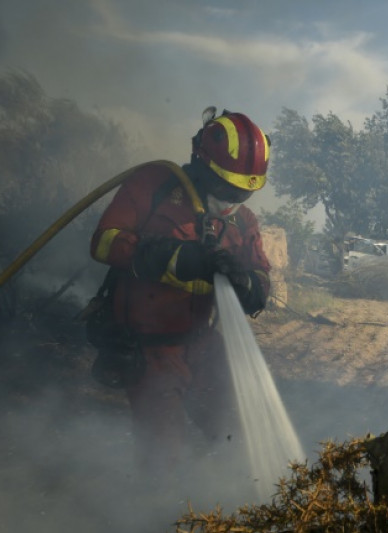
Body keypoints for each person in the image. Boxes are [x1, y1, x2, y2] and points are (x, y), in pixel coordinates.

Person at [87, 107, 272, 476]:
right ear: (202, 166)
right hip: (148, 348)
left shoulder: (242, 220)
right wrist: (172, 258)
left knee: (238, 433)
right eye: (226, 187)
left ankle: (224, 506)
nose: (233, 199)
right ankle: (160, 514)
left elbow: (262, 279)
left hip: (202, 342)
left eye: (243, 192)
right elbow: (103, 242)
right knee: (164, 456)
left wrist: (247, 284)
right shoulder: (153, 185)